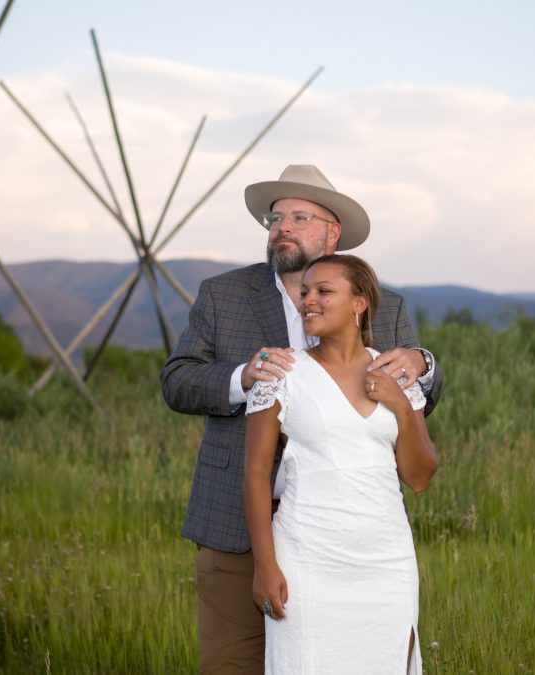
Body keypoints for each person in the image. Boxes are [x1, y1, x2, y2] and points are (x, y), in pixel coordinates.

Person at [160, 164, 444, 674]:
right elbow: (177, 380)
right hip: (236, 524)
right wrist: (243, 377)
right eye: (274, 218)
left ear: (333, 233)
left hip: (355, 534)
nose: (282, 227)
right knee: (233, 664)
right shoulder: (222, 295)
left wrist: (423, 363)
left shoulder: (386, 304)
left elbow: (418, 399)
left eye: (298, 216)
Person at [245, 253, 438, 674]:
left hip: (387, 563)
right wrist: (265, 566)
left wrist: (402, 408)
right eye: (305, 291)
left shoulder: (395, 372)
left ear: (359, 302)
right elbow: (257, 474)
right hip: (307, 560)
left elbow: (420, 478)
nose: (307, 300)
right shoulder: (283, 373)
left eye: (324, 291)